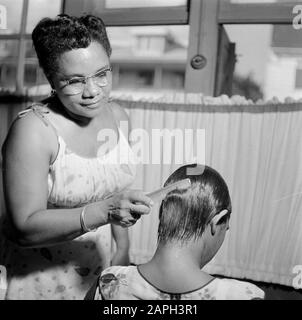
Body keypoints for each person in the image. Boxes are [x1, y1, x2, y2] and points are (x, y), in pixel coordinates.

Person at [0, 14, 153, 300]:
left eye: (102, 74)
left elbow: (116, 191)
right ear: (51, 79)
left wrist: (121, 251)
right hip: (37, 280)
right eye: (74, 81)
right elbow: (25, 228)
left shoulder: (119, 116)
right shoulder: (34, 131)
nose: (93, 91)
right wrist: (105, 212)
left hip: (98, 269)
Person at [95, 164, 265, 300]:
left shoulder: (109, 282)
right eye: (225, 228)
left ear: (163, 213)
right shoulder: (243, 296)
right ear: (217, 221)